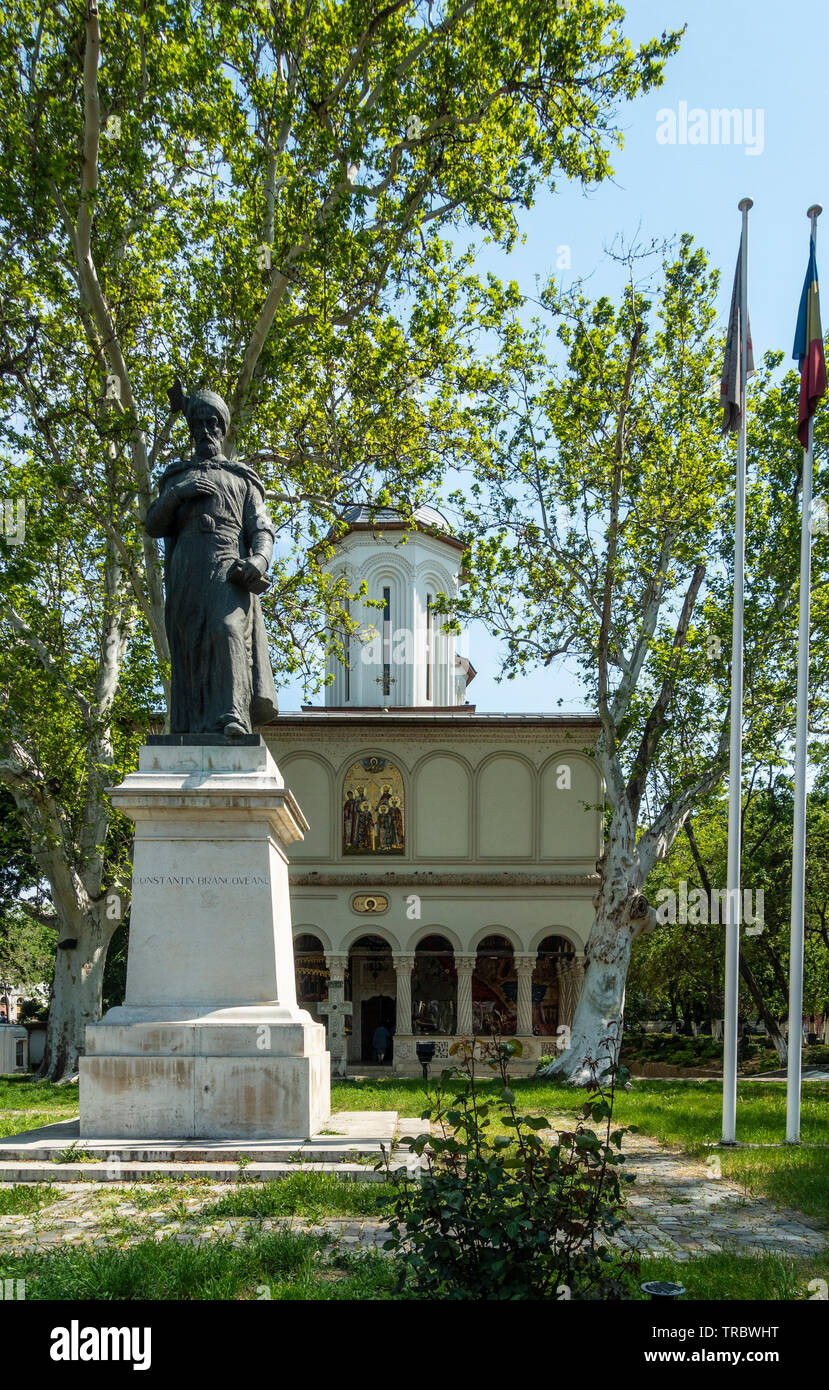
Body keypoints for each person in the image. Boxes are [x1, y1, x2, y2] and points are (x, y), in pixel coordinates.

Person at [144, 379, 279, 737]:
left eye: (213, 423)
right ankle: (189, 725)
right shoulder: (177, 476)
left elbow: (261, 528)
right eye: (199, 423)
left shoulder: (242, 478)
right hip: (187, 569)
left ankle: (233, 715)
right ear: (192, 430)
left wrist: (259, 560)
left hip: (227, 566)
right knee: (191, 643)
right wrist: (179, 494)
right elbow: (154, 524)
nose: (206, 430)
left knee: (228, 629)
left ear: (222, 429)